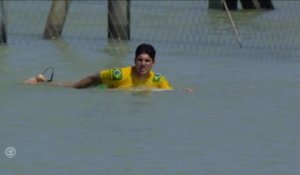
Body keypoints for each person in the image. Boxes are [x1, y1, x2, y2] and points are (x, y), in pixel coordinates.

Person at [24, 43, 176, 91]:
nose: (143, 64)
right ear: (134, 60)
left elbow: (171, 93)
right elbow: (93, 78)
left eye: (147, 61)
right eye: (140, 60)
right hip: (101, 87)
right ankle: (41, 82)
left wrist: (185, 92)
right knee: (70, 87)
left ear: (153, 63)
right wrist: (75, 87)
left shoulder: (158, 79)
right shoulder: (119, 74)